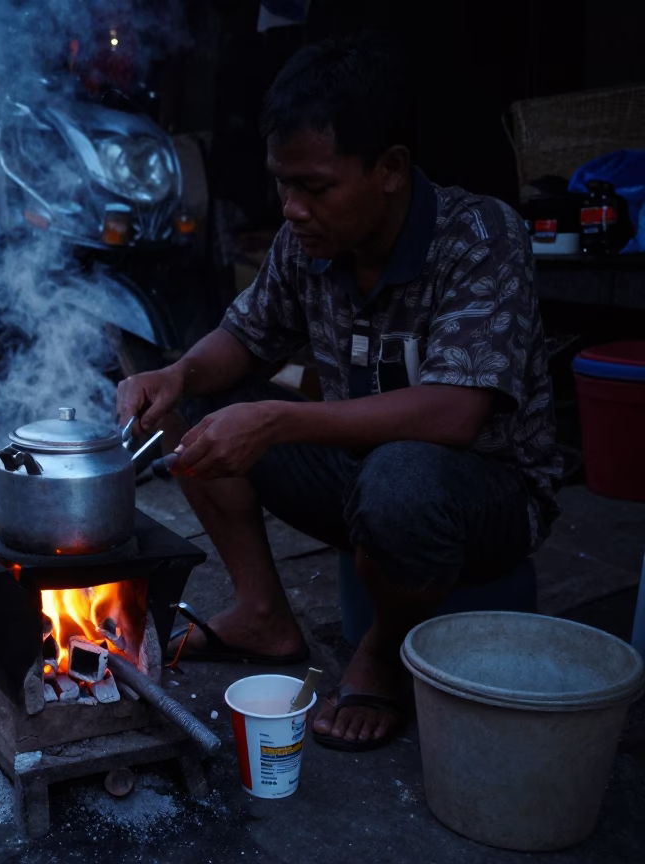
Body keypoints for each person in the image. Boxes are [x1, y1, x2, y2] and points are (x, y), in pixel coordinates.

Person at [116, 33, 561, 752]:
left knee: (400, 483)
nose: (292, 209)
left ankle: (381, 652)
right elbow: (245, 339)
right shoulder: (307, 242)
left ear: (389, 169)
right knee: (189, 416)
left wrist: (280, 419)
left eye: (315, 187)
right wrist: (176, 376)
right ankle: (264, 615)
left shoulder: (480, 235)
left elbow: (454, 413)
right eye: (283, 184)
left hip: (486, 493)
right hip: (364, 475)